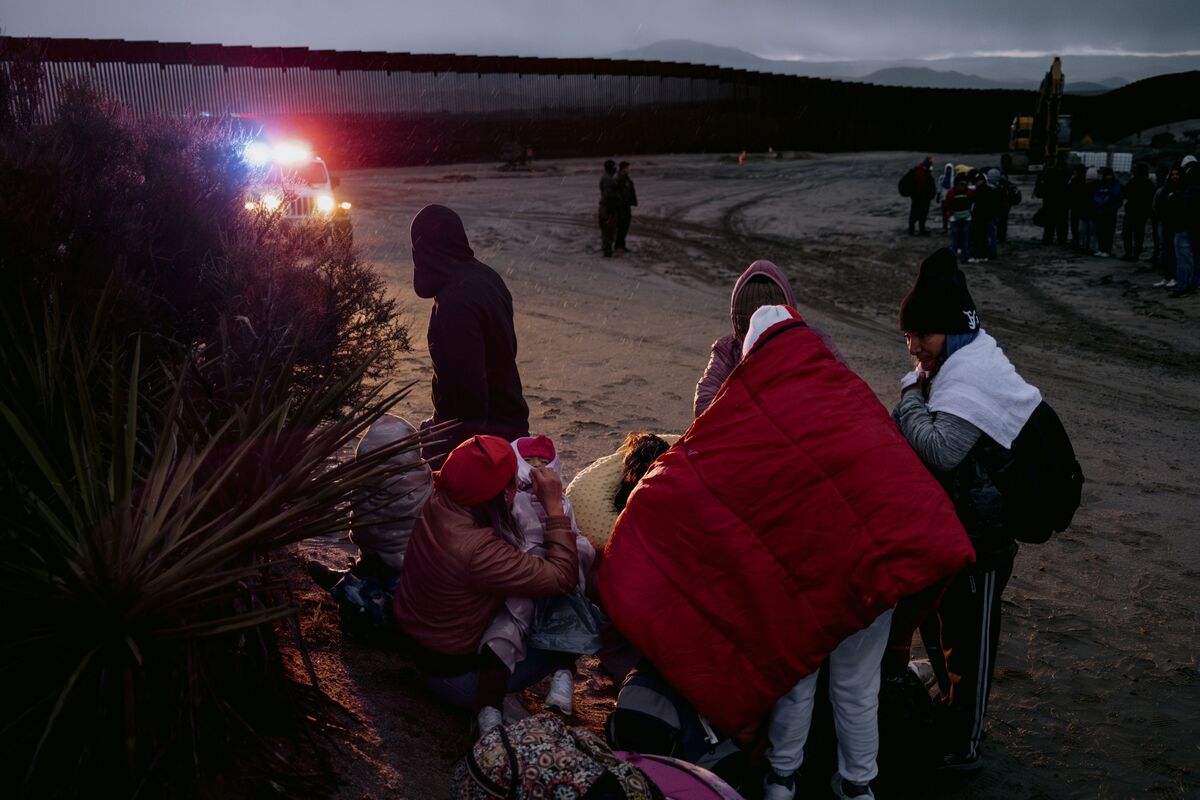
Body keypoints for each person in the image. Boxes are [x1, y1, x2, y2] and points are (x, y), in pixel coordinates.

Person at [601, 302, 974, 800]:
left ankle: (781, 780)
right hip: (871, 566)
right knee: (858, 687)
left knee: (795, 679)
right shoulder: (846, 391)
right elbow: (898, 478)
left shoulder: (754, 401)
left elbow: (703, 473)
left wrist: (642, 513)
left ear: (755, 350)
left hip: (814, 576)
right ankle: (859, 785)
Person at [892, 248, 1043, 770]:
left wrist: (909, 397)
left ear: (950, 330)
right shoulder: (963, 359)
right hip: (962, 527)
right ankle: (950, 716)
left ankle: (965, 744)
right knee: (948, 629)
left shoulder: (972, 373)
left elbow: (941, 449)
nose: (913, 346)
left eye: (921, 335)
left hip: (986, 536)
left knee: (971, 643)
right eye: (909, 336)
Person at [392, 435, 580, 737]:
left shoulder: (441, 496)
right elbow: (561, 577)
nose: (517, 487)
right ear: (497, 495)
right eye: (511, 483)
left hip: (421, 644)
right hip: (457, 677)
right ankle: (492, 703)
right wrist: (555, 509)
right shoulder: (478, 550)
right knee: (582, 617)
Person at [479, 435, 598, 717]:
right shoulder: (509, 498)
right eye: (529, 461)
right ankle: (489, 710)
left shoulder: (563, 503)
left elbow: (577, 539)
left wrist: (577, 549)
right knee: (501, 636)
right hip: (521, 581)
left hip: (557, 581)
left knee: (569, 621)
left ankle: (562, 680)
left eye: (543, 462)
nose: (536, 468)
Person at [410, 204, 530, 468]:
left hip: (485, 439)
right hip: (511, 418)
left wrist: (458, 450)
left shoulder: (455, 302)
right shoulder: (486, 276)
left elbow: (469, 394)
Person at [693, 260, 842, 418]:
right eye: (747, 326)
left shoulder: (814, 344)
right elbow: (705, 403)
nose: (757, 335)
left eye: (768, 325)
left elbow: (842, 395)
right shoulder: (728, 350)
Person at [1166, 154, 1199, 298]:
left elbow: (1185, 203)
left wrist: (1174, 196)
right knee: (1197, 259)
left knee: (1183, 259)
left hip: (1185, 226)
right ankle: (1193, 284)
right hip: (1197, 228)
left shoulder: (1188, 182)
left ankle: (1182, 286)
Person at [1153, 167, 1182, 288]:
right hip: (1165, 224)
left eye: (1177, 174)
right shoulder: (1165, 190)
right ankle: (1167, 276)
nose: (1175, 177)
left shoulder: (1180, 190)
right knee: (1166, 251)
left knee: (1173, 252)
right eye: (1173, 174)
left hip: (1175, 225)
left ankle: (1173, 277)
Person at [1121, 163, 1155, 261]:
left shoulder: (1134, 182)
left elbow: (1126, 194)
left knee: (1130, 233)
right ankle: (1134, 254)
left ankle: (1130, 253)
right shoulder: (1148, 183)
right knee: (1137, 234)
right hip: (1140, 212)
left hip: (1135, 211)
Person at [1034, 164, 1069, 246]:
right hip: (1062, 203)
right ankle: (1062, 241)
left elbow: (1039, 193)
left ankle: (1048, 240)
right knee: (1061, 224)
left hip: (1049, 203)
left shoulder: (1046, 175)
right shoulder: (1065, 174)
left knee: (1050, 224)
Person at [1093, 167, 1124, 257]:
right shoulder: (1103, 184)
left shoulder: (1115, 184)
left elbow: (1116, 196)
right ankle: (1102, 249)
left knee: (1108, 231)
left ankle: (1106, 249)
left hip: (1109, 211)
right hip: (1103, 210)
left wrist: (1103, 202)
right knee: (1101, 231)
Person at [969, 172, 998, 262]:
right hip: (986, 217)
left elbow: (977, 205)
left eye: (977, 181)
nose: (976, 183)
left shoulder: (980, 191)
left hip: (980, 217)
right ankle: (985, 256)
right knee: (985, 237)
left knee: (979, 237)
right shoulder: (990, 190)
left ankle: (978, 255)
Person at [943, 175, 972, 263]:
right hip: (967, 218)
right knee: (965, 239)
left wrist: (948, 215)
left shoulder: (951, 192)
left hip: (954, 218)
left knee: (954, 240)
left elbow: (947, 205)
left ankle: (953, 258)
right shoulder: (969, 191)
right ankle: (964, 257)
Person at [908, 156, 937, 236]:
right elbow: (931, 185)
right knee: (921, 214)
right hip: (922, 197)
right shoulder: (924, 172)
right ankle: (920, 230)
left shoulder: (916, 170)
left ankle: (913, 230)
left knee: (916, 214)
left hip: (918, 197)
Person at [615, 160, 638, 253]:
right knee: (622, 226)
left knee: (625, 226)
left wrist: (632, 201)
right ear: (623, 169)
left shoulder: (626, 179)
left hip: (625, 205)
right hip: (621, 206)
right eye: (627, 168)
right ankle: (618, 246)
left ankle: (621, 245)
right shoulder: (619, 179)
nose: (629, 169)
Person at [599, 159, 620, 257]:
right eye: (614, 167)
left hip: (607, 206)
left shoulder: (608, 177)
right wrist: (611, 209)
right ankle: (607, 250)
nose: (616, 168)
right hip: (608, 206)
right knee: (609, 229)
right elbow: (609, 195)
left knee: (608, 229)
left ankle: (607, 249)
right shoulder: (608, 179)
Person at [936, 163, 955, 233]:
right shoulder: (942, 178)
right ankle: (945, 227)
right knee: (944, 214)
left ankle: (951, 227)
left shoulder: (954, 179)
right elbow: (939, 187)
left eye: (950, 169)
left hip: (951, 199)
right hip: (943, 198)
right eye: (947, 169)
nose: (948, 171)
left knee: (951, 213)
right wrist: (938, 195)